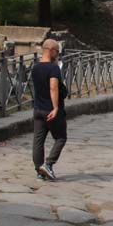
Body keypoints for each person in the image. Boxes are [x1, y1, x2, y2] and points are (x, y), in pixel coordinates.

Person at [31, 38, 67, 181]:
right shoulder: (53, 68)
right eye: (57, 51)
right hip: (50, 109)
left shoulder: (35, 67)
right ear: (51, 51)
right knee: (61, 137)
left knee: (38, 141)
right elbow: (53, 87)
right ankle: (48, 164)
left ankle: (39, 171)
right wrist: (56, 107)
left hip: (38, 109)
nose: (58, 55)